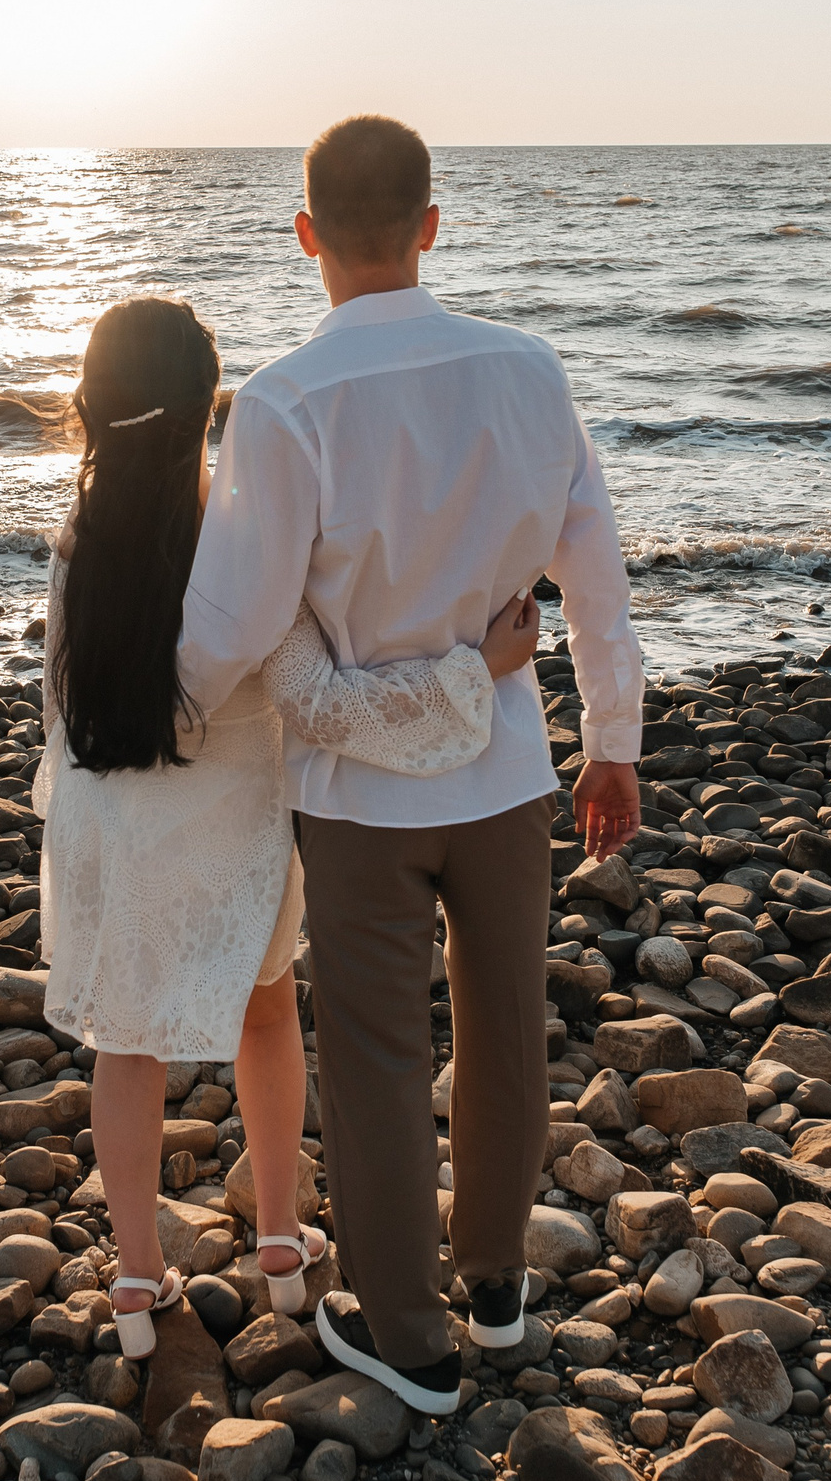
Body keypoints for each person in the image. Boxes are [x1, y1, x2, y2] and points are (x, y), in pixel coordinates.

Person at [177, 115, 643, 1414]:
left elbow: (236, 619)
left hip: (361, 798)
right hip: (504, 777)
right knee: (505, 1031)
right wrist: (615, 743)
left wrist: (152, 729)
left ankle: (409, 1338)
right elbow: (594, 578)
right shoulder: (531, 371)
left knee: (379, 1056)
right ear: (433, 226)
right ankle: (495, 1290)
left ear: (307, 234)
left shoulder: (283, 402)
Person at [33, 295, 543, 1359]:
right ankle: (276, 1240)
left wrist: (72, 812)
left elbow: (63, 701)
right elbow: (321, 701)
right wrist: (473, 671)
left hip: (114, 812)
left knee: (126, 1043)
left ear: (94, 403)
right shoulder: (240, 537)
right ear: (209, 405)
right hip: (232, 825)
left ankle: (135, 1280)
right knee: (269, 1014)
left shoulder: (80, 535)